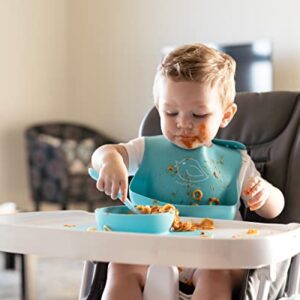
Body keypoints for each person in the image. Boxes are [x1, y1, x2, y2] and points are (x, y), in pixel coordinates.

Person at [91, 43, 285, 300]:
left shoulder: (236, 162)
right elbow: (105, 153)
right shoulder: (145, 150)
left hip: (215, 257)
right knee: (120, 266)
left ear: (226, 115)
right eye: (171, 112)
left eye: (199, 114)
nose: (183, 123)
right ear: (158, 107)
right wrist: (110, 161)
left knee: (216, 274)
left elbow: (275, 209)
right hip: (150, 251)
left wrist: (265, 195)